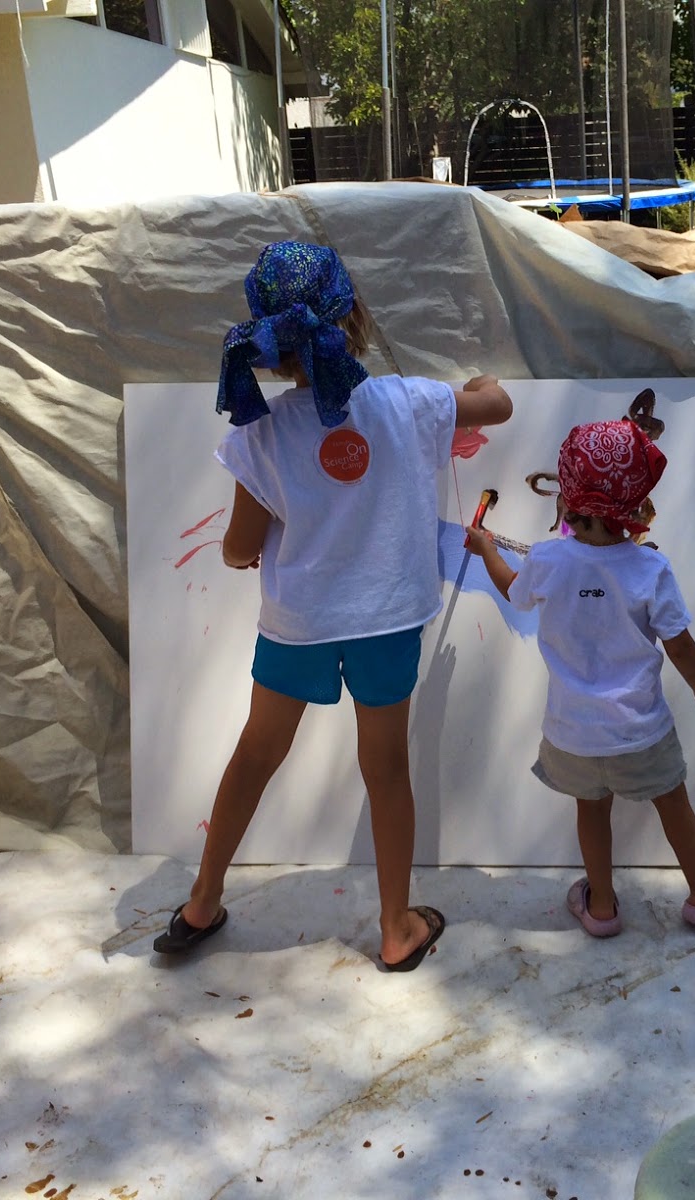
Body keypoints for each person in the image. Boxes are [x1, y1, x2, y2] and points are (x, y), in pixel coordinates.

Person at [155, 240, 512, 971]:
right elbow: (497, 404)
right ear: (355, 315)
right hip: (387, 623)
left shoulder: (261, 432)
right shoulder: (412, 402)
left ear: (272, 343)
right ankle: (396, 928)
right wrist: (479, 380)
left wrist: (239, 553)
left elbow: (240, 545)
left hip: (298, 627)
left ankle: (201, 902)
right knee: (386, 771)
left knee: (256, 755)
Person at [464, 417, 695, 937]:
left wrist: (487, 547)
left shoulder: (548, 558)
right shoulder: (649, 568)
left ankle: (601, 909)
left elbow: (513, 590)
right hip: (640, 732)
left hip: (572, 733)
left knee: (592, 812)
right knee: (674, 805)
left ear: (567, 490)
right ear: (637, 498)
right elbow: (679, 644)